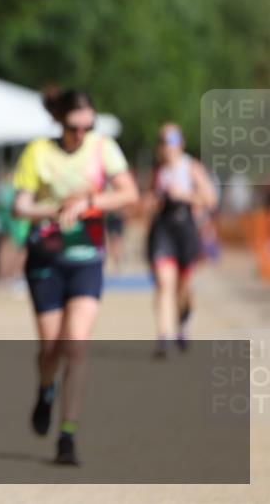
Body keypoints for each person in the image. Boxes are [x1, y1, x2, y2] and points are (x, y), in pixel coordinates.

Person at [12, 89, 139, 465]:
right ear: (59, 121)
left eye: (88, 127)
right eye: (73, 127)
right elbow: (20, 208)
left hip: (87, 258)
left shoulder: (104, 148)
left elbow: (129, 193)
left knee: (76, 345)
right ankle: (45, 388)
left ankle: (67, 435)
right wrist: (54, 209)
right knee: (51, 348)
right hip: (46, 258)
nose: (80, 135)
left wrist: (89, 203)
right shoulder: (38, 151)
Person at [145, 123, 217, 357]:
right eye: (163, 141)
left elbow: (210, 199)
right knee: (164, 284)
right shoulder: (158, 171)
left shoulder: (192, 167)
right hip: (163, 230)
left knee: (184, 288)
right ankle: (163, 337)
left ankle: (183, 322)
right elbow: (147, 201)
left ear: (180, 144)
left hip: (185, 231)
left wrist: (184, 195)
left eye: (172, 141)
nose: (167, 147)